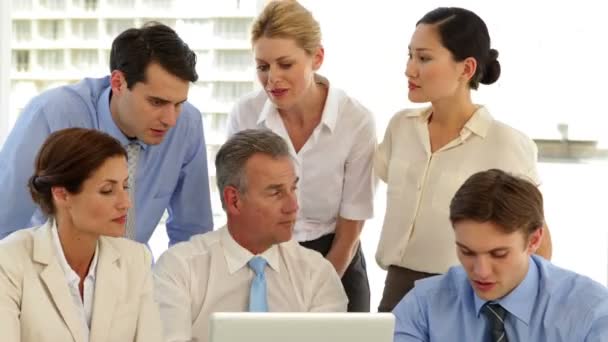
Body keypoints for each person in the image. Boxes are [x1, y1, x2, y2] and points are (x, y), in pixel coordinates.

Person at [375, 7, 553, 312]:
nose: (410, 69)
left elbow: (539, 244)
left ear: (466, 69)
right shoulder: (400, 127)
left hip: (466, 294)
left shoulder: (505, 142)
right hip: (398, 291)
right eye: (410, 56)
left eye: (424, 58)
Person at [0, 22, 213, 245]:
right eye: (156, 102)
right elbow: (5, 223)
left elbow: (193, 234)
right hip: (50, 271)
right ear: (118, 83)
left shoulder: (187, 124)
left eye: (179, 103)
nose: (170, 120)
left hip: (132, 272)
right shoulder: (52, 114)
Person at [227, 0, 376, 312]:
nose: (272, 80)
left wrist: (317, 289)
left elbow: (351, 229)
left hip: (337, 258)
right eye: (263, 67)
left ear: (317, 57)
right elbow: (238, 209)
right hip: (263, 257)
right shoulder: (245, 114)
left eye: (286, 64)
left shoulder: (355, 120)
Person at [153, 129, 348, 342]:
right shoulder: (180, 268)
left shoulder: (316, 274)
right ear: (234, 200)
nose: (293, 206)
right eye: (276, 193)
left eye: (293, 189)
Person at [393, 169, 608, 341]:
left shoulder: (590, 311)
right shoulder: (424, 305)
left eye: (499, 254)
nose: (481, 271)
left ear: (533, 240)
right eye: (467, 252)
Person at [0, 128, 162, 342]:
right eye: (107, 190)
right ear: (62, 194)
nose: (126, 203)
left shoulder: (135, 259)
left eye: (125, 186)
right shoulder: (10, 260)